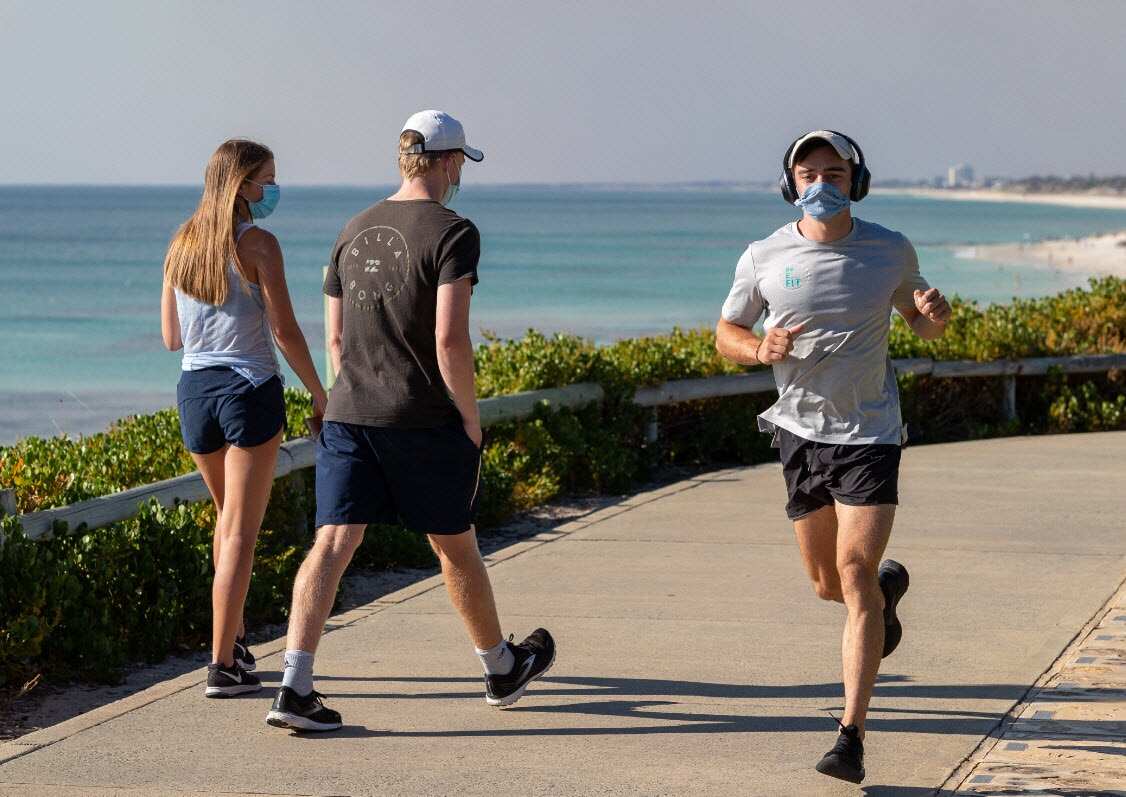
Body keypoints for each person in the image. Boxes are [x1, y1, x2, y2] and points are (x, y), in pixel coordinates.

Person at [266, 111, 555, 732]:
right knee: (454, 545)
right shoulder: (454, 232)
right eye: (460, 164)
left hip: (349, 413)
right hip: (420, 419)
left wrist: (344, 397)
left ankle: (294, 685)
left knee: (333, 543)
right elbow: (450, 340)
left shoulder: (352, 228)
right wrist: (470, 420)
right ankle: (499, 668)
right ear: (448, 163)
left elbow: (336, 341)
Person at [715, 130, 951, 783]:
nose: (822, 182)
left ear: (856, 180)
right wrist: (758, 350)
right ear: (791, 183)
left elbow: (923, 320)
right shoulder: (764, 256)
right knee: (829, 583)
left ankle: (850, 734)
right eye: (809, 171)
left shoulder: (889, 250)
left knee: (850, 570)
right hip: (800, 433)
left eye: (835, 172)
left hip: (871, 431)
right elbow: (726, 332)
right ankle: (884, 595)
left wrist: (936, 312)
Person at [161, 139, 328, 698]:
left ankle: (229, 645)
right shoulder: (258, 244)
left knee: (226, 523)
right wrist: (320, 394)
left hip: (194, 393)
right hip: (248, 390)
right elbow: (284, 332)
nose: (273, 191)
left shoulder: (181, 244)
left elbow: (172, 337)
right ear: (242, 186)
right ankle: (221, 666)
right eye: (267, 181)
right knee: (239, 532)